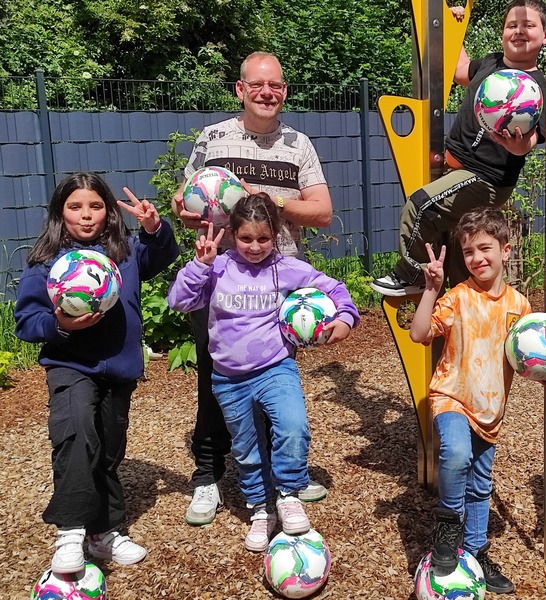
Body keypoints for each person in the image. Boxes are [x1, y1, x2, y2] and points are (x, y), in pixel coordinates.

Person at [171, 51, 334, 526]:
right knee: (216, 378)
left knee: (275, 381)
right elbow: (184, 202)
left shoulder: (298, 144)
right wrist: (189, 207)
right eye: (257, 85)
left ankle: (283, 479)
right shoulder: (213, 138)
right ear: (240, 89)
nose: (267, 93)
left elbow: (322, 211)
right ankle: (207, 474)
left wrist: (267, 199)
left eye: (276, 85)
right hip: (221, 279)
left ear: (284, 91)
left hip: (279, 282)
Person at [167, 193, 359, 551]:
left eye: (263, 238)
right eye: (246, 238)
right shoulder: (218, 267)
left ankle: (288, 494)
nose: (254, 247)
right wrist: (199, 265)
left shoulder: (286, 268)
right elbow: (179, 300)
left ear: (277, 235)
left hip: (275, 369)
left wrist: (346, 317)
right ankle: (260, 509)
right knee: (246, 448)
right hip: (228, 378)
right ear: (231, 234)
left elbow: (333, 287)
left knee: (293, 428)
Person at [14, 172, 179, 574]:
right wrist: (59, 325)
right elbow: (27, 321)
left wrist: (155, 229)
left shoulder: (127, 252)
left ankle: (102, 532)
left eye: (95, 206)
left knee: (107, 450)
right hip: (70, 365)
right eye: (75, 207)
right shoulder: (48, 262)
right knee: (75, 435)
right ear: (61, 213)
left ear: (108, 211)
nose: (86, 215)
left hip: (119, 369)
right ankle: (70, 532)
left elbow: (163, 255)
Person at [409, 206, 546, 594]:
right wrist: (430, 290)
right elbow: (419, 333)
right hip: (452, 396)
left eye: (484, 248)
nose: (477, 258)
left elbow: (526, 359)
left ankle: (477, 552)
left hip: (491, 410)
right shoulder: (457, 297)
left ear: (506, 250)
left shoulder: (520, 306)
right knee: (456, 454)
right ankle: (447, 530)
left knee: (480, 487)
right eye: (468, 252)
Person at [371, 0, 546, 297]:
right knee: (456, 257)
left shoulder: (536, 86)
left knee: (420, 206)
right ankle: (459, 311)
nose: (518, 31)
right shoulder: (490, 63)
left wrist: (518, 145)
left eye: (528, 25)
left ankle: (412, 272)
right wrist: (450, 26)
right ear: (502, 32)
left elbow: (531, 140)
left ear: (544, 37)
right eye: (512, 25)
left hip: (484, 179)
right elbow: (459, 68)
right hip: (456, 170)